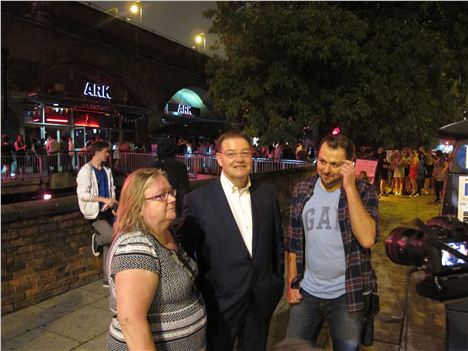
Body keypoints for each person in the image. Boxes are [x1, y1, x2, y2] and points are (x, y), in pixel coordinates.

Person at [178, 130, 284, 351]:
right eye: (232, 153)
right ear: (219, 159)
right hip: (221, 301)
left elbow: (277, 242)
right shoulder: (198, 200)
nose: (239, 159)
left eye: (245, 153)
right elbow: (186, 253)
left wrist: (275, 282)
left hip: (261, 298)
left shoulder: (267, 193)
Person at [286, 133, 379, 351]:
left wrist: (350, 188)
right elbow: (293, 242)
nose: (326, 170)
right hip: (306, 292)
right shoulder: (302, 190)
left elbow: (367, 239)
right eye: (322, 161)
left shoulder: (365, 192)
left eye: (335, 164)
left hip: (347, 294)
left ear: (350, 164)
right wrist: (291, 284)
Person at [107, 168, 206, 351]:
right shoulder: (136, 247)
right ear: (137, 205)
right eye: (161, 196)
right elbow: (131, 322)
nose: (172, 199)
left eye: (171, 192)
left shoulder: (166, 232)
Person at [76, 141, 117, 286]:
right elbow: (83, 195)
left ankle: (107, 279)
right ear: (97, 153)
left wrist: (112, 203)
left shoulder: (107, 170)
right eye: (106, 151)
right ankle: (97, 240)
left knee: (113, 241)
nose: (108, 154)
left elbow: (111, 189)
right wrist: (102, 199)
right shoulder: (86, 171)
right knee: (110, 236)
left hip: (108, 211)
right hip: (94, 212)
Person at [154, 138, 190, 217]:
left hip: (155, 209)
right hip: (173, 209)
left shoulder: (151, 166)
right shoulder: (179, 166)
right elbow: (184, 192)